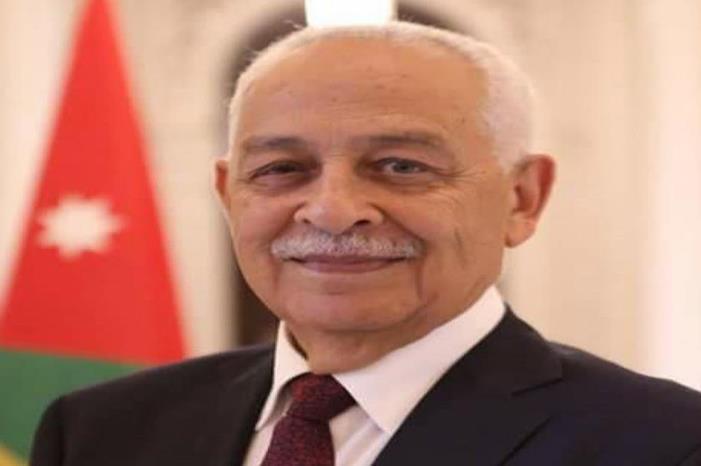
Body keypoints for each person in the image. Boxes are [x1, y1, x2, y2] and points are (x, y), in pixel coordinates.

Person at [30, 21, 701, 466]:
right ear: (228, 194)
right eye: (282, 169)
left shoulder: (663, 444)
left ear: (522, 198)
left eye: (401, 165)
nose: (332, 210)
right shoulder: (99, 432)